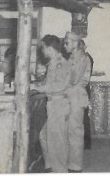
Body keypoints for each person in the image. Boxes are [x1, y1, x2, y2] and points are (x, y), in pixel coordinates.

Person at [30, 35, 71, 173]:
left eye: (43, 48)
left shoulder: (60, 63)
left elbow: (59, 86)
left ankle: (60, 171)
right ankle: (50, 167)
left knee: (57, 143)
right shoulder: (54, 62)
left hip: (58, 105)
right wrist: (37, 84)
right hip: (55, 105)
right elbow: (50, 83)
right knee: (44, 135)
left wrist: (37, 88)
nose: (42, 51)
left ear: (49, 48)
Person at [63, 32, 91, 172]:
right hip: (70, 96)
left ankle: (75, 167)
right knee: (69, 132)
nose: (65, 45)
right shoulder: (72, 57)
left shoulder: (81, 58)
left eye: (67, 42)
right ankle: (70, 164)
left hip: (76, 96)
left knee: (75, 132)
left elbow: (73, 80)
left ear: (75, 43)